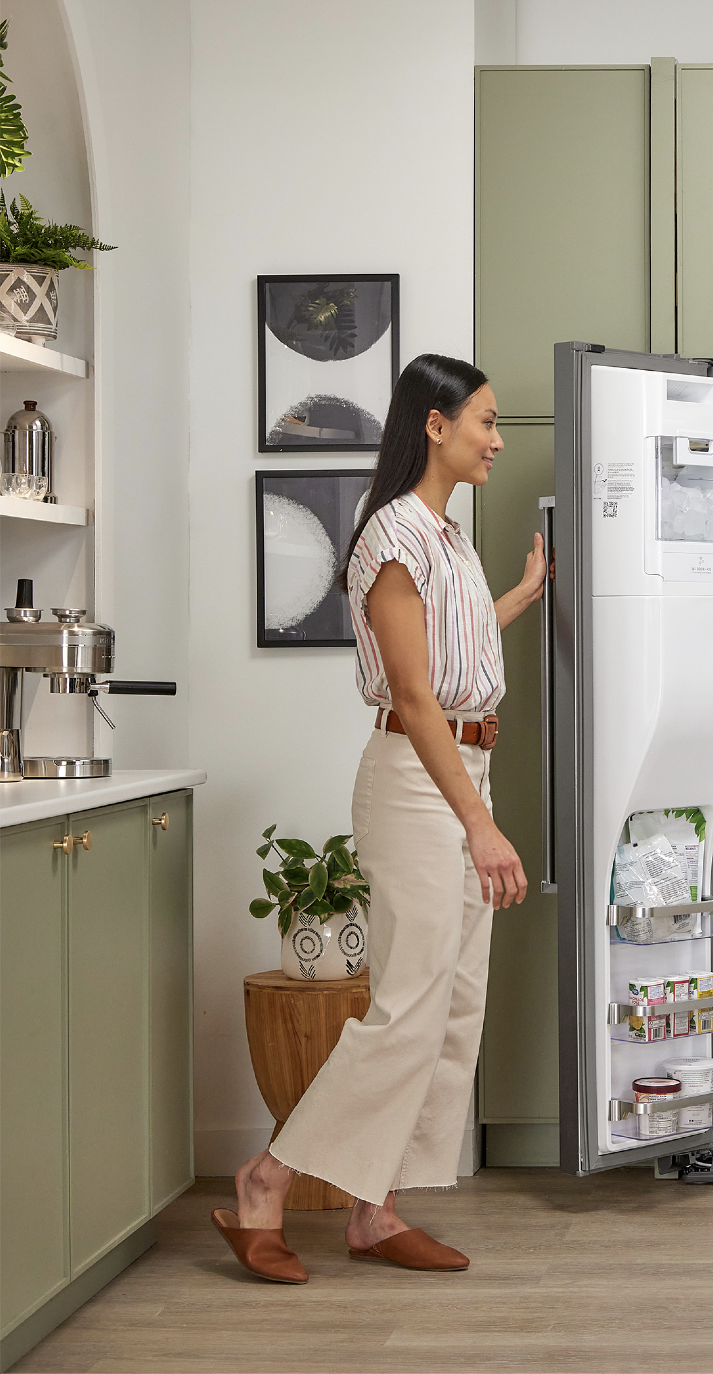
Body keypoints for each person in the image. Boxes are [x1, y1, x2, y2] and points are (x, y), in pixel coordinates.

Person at [212, 354, 546, 1283]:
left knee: (451, 1004)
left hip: (459, 764)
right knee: (407, 1006)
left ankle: (375, 1210)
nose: (497, 437)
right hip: (418, 778)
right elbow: (412, 691)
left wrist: (521, 594)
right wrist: (479, 824)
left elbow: (454, 653)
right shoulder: (393, 536)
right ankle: (264, 1183)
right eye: (484, 419)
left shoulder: (447, 538)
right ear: (434, 426)